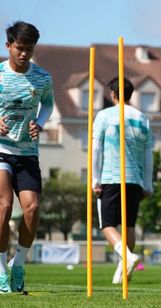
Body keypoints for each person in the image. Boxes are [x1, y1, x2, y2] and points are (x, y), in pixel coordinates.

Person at [0, 21, 54, 294]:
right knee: (4, 205)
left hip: (28, 152)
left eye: (29, 50)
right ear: (8, 45)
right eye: (19, 48)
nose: (24, 54)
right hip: (0, 150)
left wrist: (40, 123)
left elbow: (48, 104)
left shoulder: (42, 77)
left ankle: (17, 263)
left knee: (31, 210)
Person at [92, 77, 154, 285]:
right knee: (129, 224)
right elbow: (148, 154)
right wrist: (148, 183)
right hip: (135, 179)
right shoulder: (143, 118)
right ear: (131, 94)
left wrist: (94, 177)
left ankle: (127, 257)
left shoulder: (105, 115)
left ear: (112, 94)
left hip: (110, 177)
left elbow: (96, 148)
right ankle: (122, 270)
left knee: (107, 225)